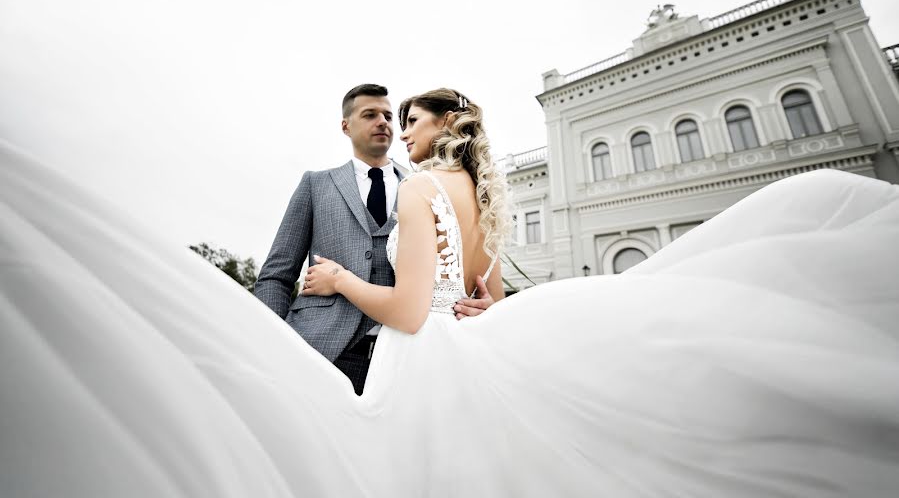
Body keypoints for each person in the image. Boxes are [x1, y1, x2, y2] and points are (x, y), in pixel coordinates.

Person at [2, 88, 899, 496]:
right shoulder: (478, 198)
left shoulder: (426, 188)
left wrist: (342, 276)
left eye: (412, 120)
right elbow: (487, 295)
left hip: (420, 362)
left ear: (434, 131)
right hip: (464, 348)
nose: (399, 131)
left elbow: (406, 307)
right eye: (386, 119)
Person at [254, 84, 494, 394]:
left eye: (388, 116)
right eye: (370, 115)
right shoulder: (315, 185)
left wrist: (485, 308)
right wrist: (273, 344)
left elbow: (465, 275)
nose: (383, 122)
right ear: (346, 126)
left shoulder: (428, 187)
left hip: (403, 360)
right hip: (316, 351)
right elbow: (275, 276)